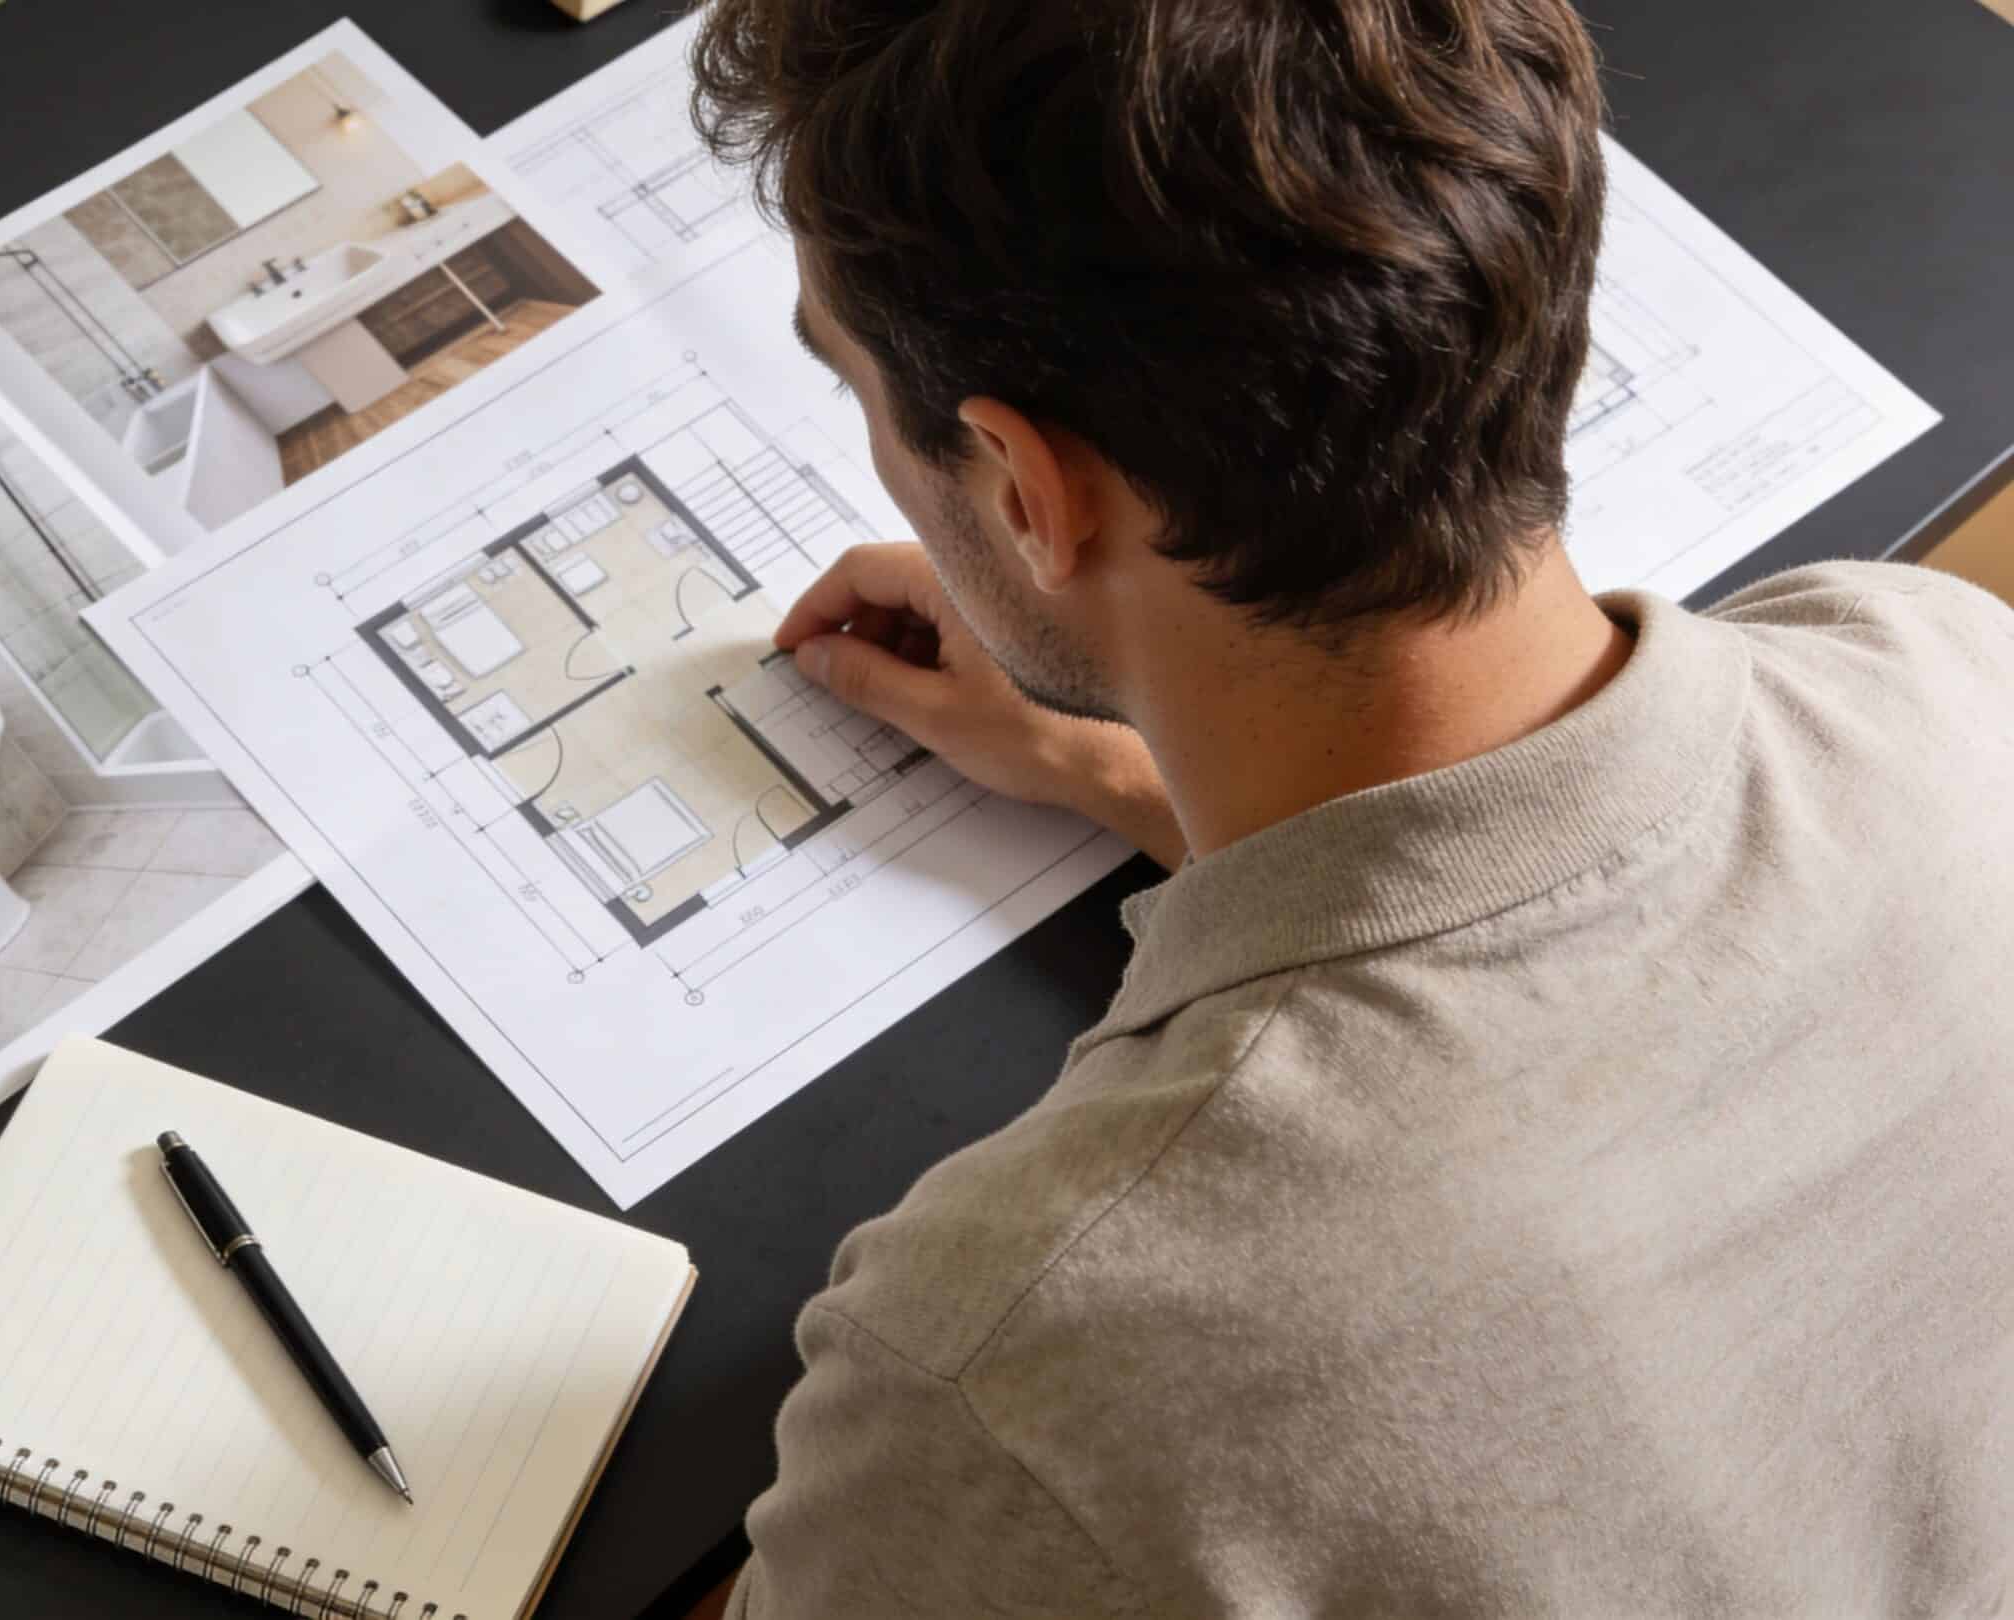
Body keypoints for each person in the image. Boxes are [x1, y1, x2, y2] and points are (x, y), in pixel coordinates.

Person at [678, 0, 2014, 1613]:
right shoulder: (1936, 660)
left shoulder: (1021, 1362)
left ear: (1027, 490)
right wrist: (1128, 767)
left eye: (858, 389)